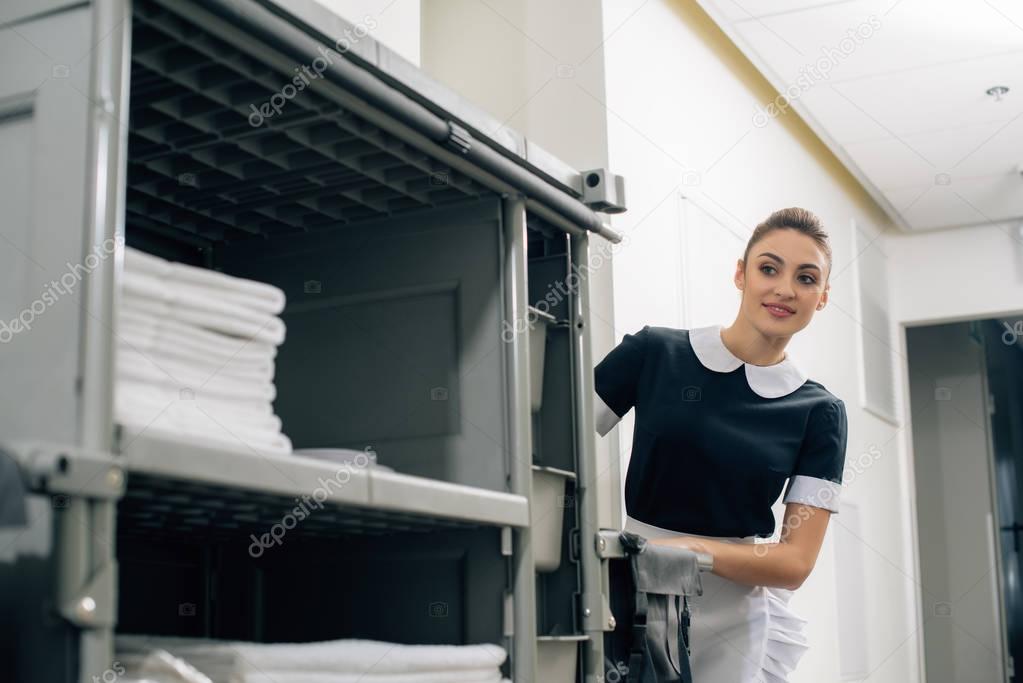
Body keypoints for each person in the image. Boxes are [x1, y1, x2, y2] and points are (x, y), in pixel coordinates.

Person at [593, 207, 849, 683]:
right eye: (768, 268)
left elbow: (794, 562)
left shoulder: (819, 411)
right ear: (741, 273)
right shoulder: (654, 353)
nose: (785, 289)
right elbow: (551, 440)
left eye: (806, 278)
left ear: (823, 297)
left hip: (734, 617)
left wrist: (687, 549)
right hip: (634, 593)